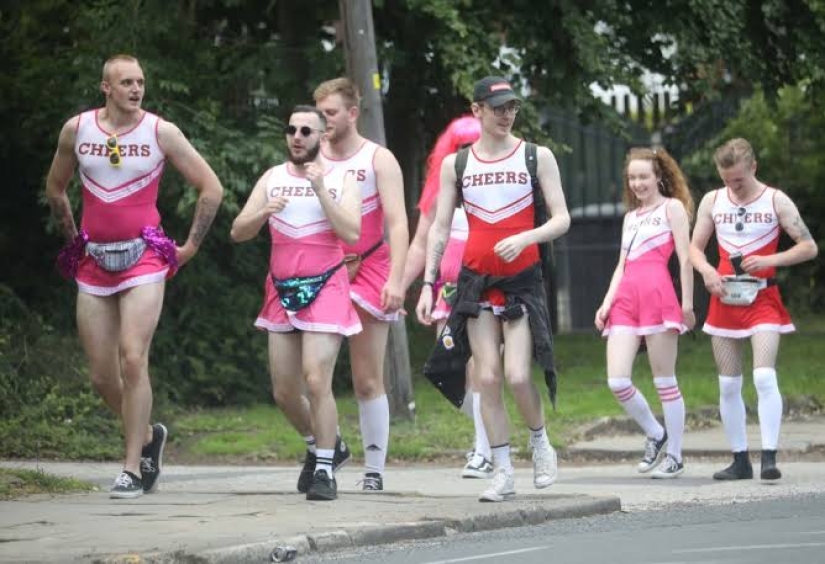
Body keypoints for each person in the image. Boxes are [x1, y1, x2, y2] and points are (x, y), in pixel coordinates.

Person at [44, 54, 224, 499]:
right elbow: (55, 188)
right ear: (106, 87)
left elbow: (211, 187)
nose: (136, 89)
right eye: (126, 82)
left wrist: (189, 247)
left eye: (140, 81)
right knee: (102, 376)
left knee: (132, 358)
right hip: (93, 261)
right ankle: (147, 436)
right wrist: (73, 241)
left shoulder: (161, 132)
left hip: (144, 256)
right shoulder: (77, 129)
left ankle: (131, 469)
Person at [416, 76, 571, 502]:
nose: (507, 115)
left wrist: (526, 238)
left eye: (512, 107)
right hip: (475, 283)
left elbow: (562, 218)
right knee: (486, 377)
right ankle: (502, 471)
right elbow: (440, 228)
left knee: (518, 375)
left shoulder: (537, 156)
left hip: (522, 283)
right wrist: (428, 283)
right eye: (498, 107)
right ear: (477, 110)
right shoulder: (457, 164)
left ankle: (540, 443)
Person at [230, 105, 362, 501]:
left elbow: (352, 233)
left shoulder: (340, 178)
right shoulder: (272, 178)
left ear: (323, 136)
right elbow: (238, 231)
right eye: (292, 130)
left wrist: (320, 190)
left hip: (327, 285)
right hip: (281, 288)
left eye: (307, 130)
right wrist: (262, 213)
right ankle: (323, 445)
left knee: (316, 378)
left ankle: (324, 470)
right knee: (285, 392)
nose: (297, 137)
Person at [689, 138, 818, 481]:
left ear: (753, 167)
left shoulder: (775, 200)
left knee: (763, 375)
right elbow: (694, 248)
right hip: (725, 299)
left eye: (739, 180)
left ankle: (769, 457)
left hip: (763, 299)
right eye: (727, 180)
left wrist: (770, 260)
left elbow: (808, 247)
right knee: (729, 384)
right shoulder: (713, 200)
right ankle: (740, 459)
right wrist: (707, 271)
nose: (734, 186)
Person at [312, 77, 409, 491]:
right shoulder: (312, 157)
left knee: (367, 377)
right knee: (312, 375)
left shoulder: (378, 159)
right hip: (321, 269)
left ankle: (374, 470)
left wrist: (397, 279)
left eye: (330, 113)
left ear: (352, 113)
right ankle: (327, 450)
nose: (324, 121)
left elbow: (398, 222)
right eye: (319, 114)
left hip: (369, 267)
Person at [594, 147, 695, 479]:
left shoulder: (672, 208)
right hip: (626, 299)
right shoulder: (630, 218)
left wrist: (687, 305)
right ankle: (655, 432)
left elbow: (685, 259)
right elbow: (621, 265)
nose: (637, 183)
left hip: (657, 296)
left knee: (664, 380)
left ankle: (675, 455)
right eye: (632, 178)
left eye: (643, 177)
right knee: (617, 380)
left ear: (659, 176)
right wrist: (606, 303)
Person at [402, 116, 492, 479]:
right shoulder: (439, 194)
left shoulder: (496, 189)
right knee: (447, 369)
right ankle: (493, 430)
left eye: (473, 145)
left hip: (487, 290)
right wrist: (401, 287)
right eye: (459, 147)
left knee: (480, 370)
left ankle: (484, 449)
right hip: (447, 292)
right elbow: (420, 245)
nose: (467, 153)